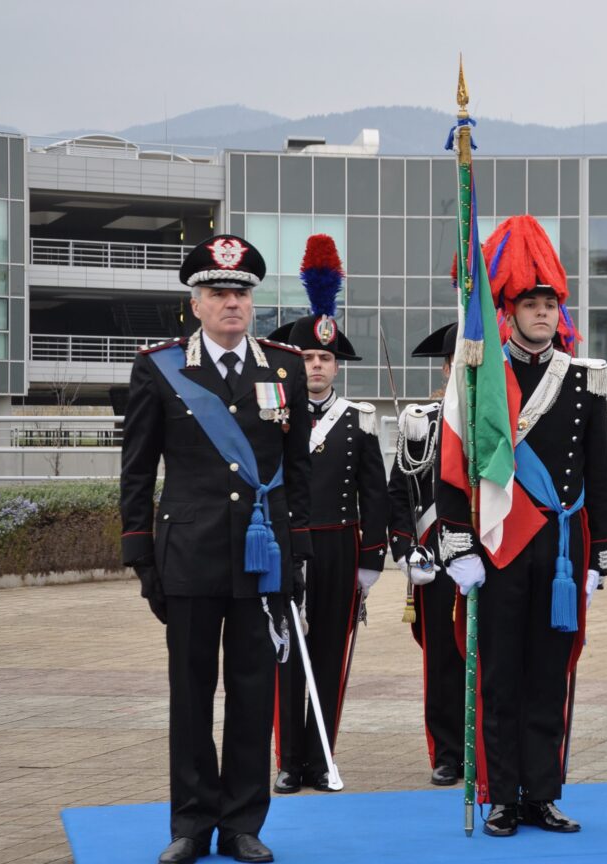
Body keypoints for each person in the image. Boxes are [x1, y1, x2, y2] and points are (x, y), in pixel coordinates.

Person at [120, 235, 312, 864]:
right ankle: (191, 823)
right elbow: (138, 471)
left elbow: (299, 470)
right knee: (191, 692)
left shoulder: (283, 367)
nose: (232, 303)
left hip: (264, 559)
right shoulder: (159, 367)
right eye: (218, 293)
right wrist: (143, 559)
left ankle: (241, 824)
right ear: (195, 304)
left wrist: (299, 554)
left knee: (255, 694)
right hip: (191, 555)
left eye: (241, 293)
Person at [436, 214, 607, 838]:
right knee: (500, 677)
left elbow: (600, 472)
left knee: (548, 676)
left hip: (562, 550)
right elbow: (453, 467)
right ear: (506, 311)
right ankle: (501, 794)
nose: (541, 313)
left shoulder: (584, 380)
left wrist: (600, 556)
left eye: (549, 304)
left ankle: (543, 792)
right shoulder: (480, 376)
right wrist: (457, 542)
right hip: (500, 549)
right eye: (529, 303)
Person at [265, 236, 389, 794]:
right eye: (309, 357)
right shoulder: (274, 415)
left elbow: (375, 493)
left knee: (329, 653)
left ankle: (321, 757)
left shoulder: (359, 419)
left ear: (338, 366)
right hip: (289, 547)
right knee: (285, 654)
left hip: (339, 549)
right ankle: (289, 761)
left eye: (325, 358)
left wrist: (371, 560)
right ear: (295, 362)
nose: (316, 366)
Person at [387, 322, 466, 788]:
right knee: (441, 660)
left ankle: (490, 748)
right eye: (458, 364)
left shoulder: (503, 420)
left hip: (493, 559)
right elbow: (399, 493)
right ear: (445, 367)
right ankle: (447, 754)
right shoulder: (421, 421)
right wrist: (404, 551)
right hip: (434, 559)